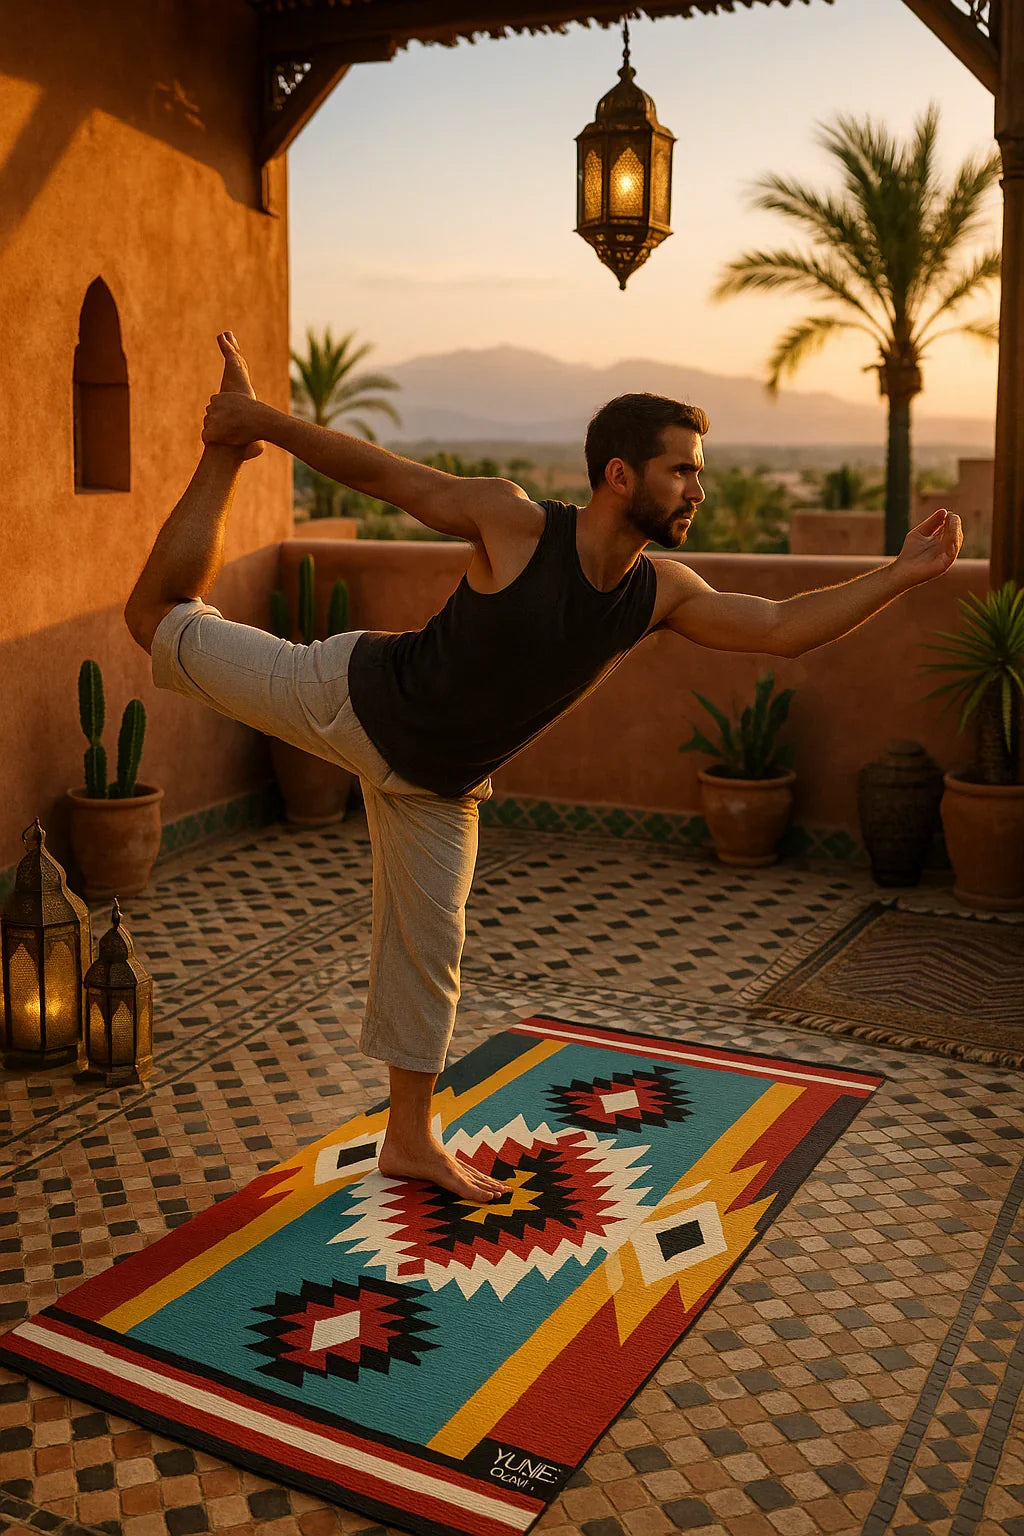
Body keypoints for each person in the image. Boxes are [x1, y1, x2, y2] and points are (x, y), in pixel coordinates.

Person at [124, 332, 963, 1206]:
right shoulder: (516, 523)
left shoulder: (659, 593)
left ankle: (409, 1141)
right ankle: (226, 453)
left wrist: (901, 575)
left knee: (430, 954)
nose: (698, 491)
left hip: (442, 787)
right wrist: (257, 422)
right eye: (682, 471)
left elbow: (783, 626)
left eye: (700, 473)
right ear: (619, 476)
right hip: (352, 697)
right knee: (155, 616)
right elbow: (387, 477)